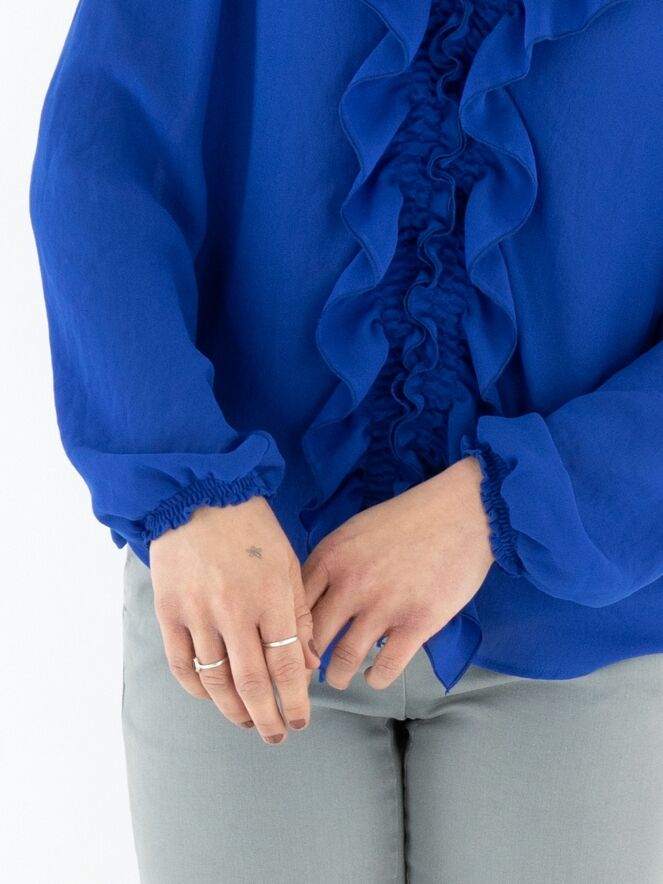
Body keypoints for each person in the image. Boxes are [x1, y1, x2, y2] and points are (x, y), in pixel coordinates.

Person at [29, 0, 663, 881]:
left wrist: (507, 503)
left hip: (586, 616)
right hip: (242, 596)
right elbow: (102, 166)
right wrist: (188, 488)